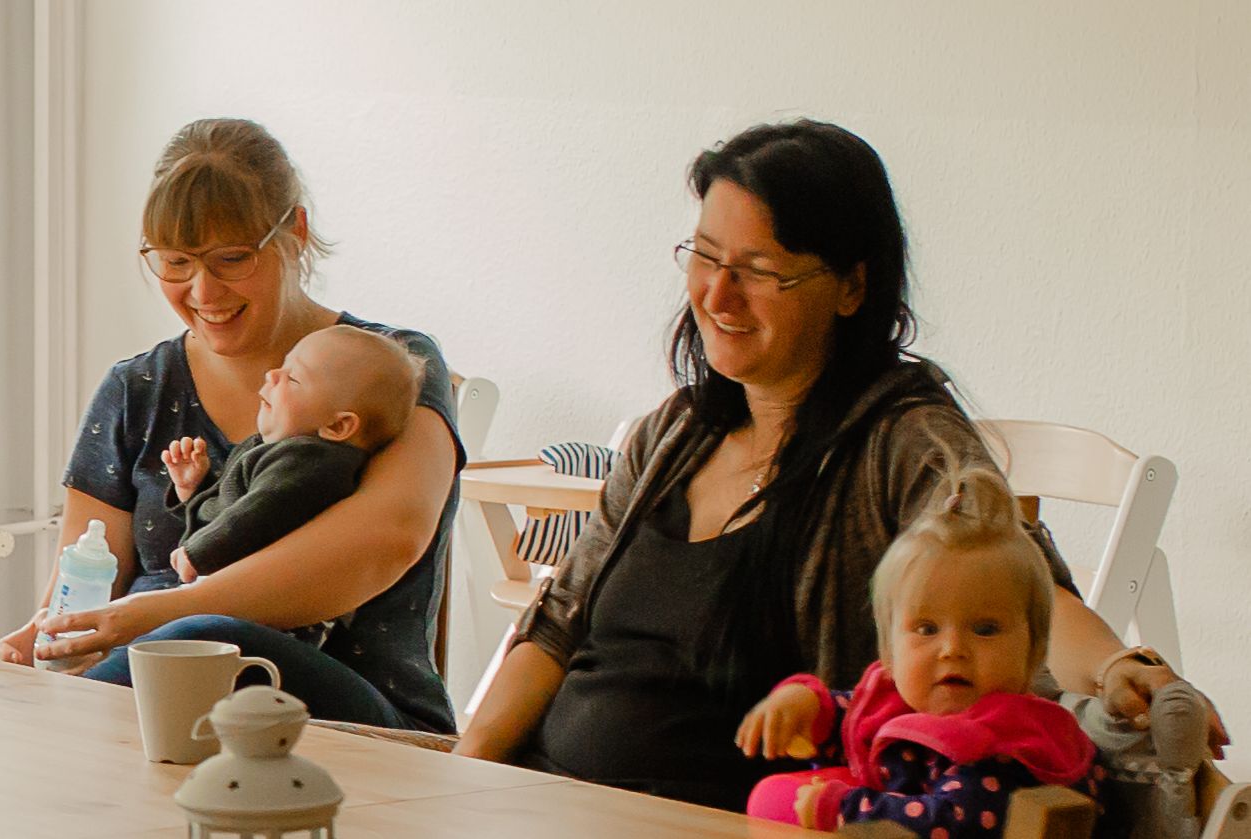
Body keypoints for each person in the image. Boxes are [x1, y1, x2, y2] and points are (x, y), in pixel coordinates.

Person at [455, 119, 1223, 807]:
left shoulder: (903, 441)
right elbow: (556, 630)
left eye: (760, 270)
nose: (718, 295)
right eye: (707, 257)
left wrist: (1125, 665)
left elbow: (1022, 588)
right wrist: (463, 779)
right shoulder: (673, 434)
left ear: (852, 286)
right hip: (548, 799)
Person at [0, 118, 463, 733]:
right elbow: (87, 581)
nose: (203, 290)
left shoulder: (390, 369)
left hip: (357, 721)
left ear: (293, 232)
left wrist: (158, 614)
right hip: (138, 717)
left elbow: (385, 540)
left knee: (202, 643)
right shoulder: (136, 389)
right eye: (176, 263)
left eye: (232, 259)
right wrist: (46, 636)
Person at [739, 467, 1096, 837]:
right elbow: (857, 720)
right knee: (772, 795)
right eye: (927, 629)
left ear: (1034, 649)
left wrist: (843, 808)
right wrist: (810, 708)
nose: (952, 649)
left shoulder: (1005, 741)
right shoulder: (907, 698)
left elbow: (951, 823)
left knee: (790, 802)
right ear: (890, 647)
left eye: (985, 629)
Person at [162, 324, 425, 645]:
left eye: (294, 377)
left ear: (338, 425)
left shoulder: (313, 462)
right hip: (234, 608)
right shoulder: (276, 452)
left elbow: (258, 516)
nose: (273, 375)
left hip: (268, 622)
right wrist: (194, 489)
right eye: (282, 366)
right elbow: (234, 506)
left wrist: (199, 554)